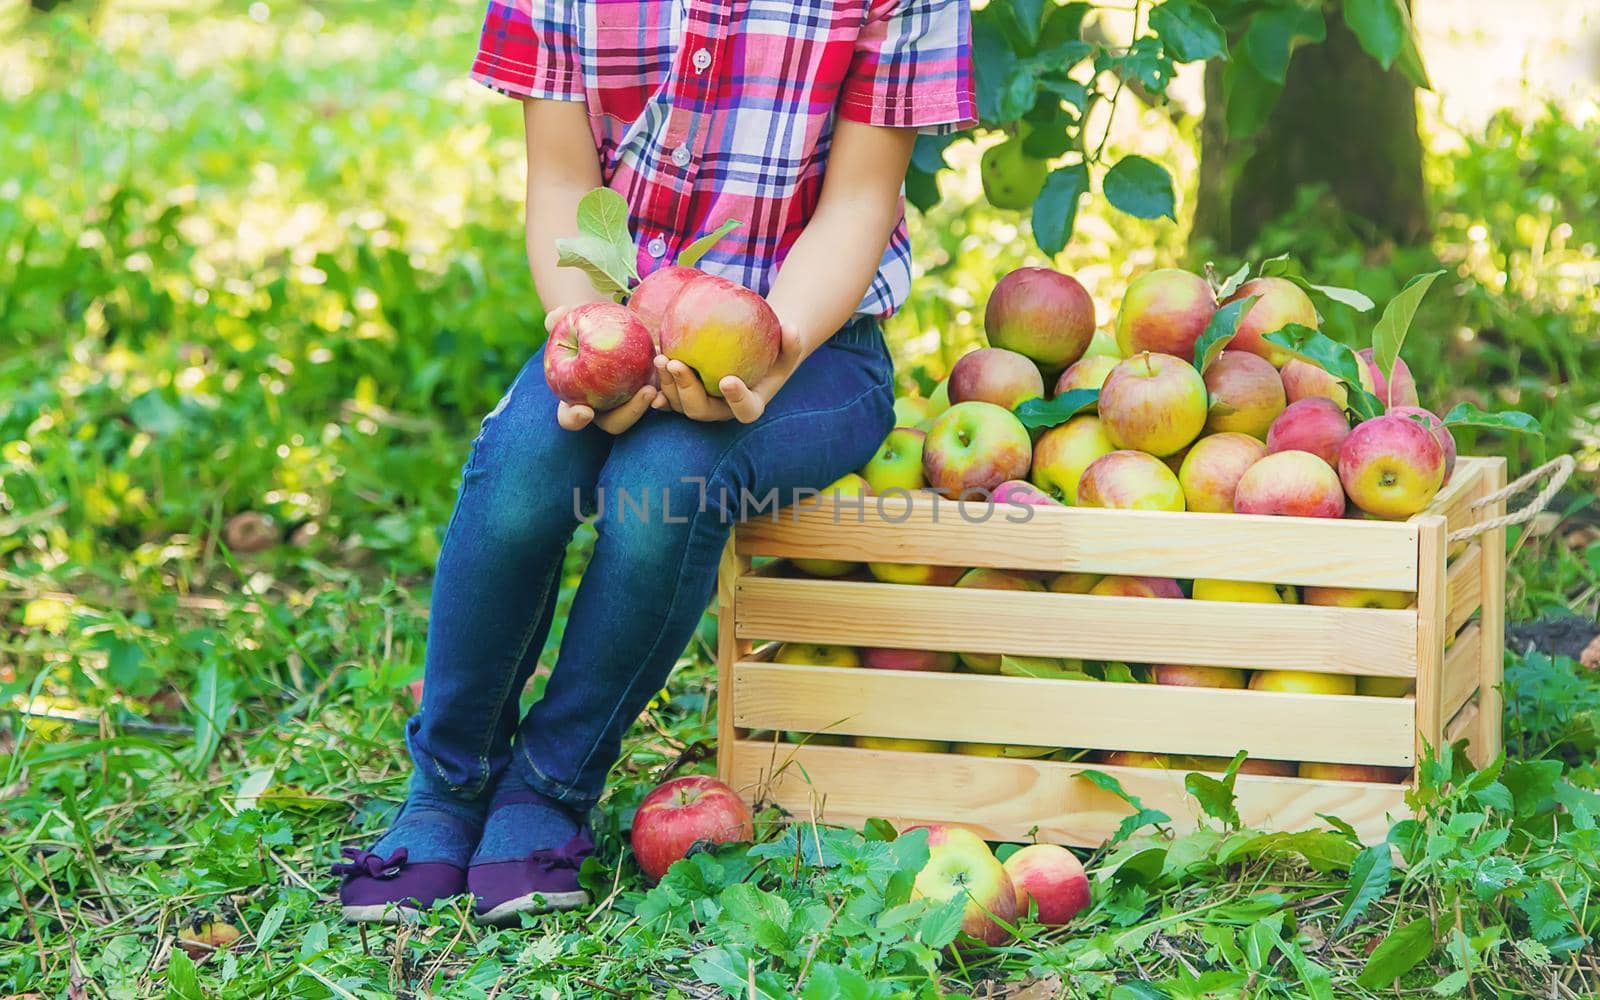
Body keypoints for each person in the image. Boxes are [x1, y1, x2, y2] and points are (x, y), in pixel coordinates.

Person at [333, 0, 974, 924]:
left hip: (816, 347)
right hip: (621, 315)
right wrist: (594, 335)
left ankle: (548, 786)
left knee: (665, 481)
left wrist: (775, 347)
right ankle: (448, 782)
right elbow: (562, 179)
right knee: (520, 471)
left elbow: (861, 199)